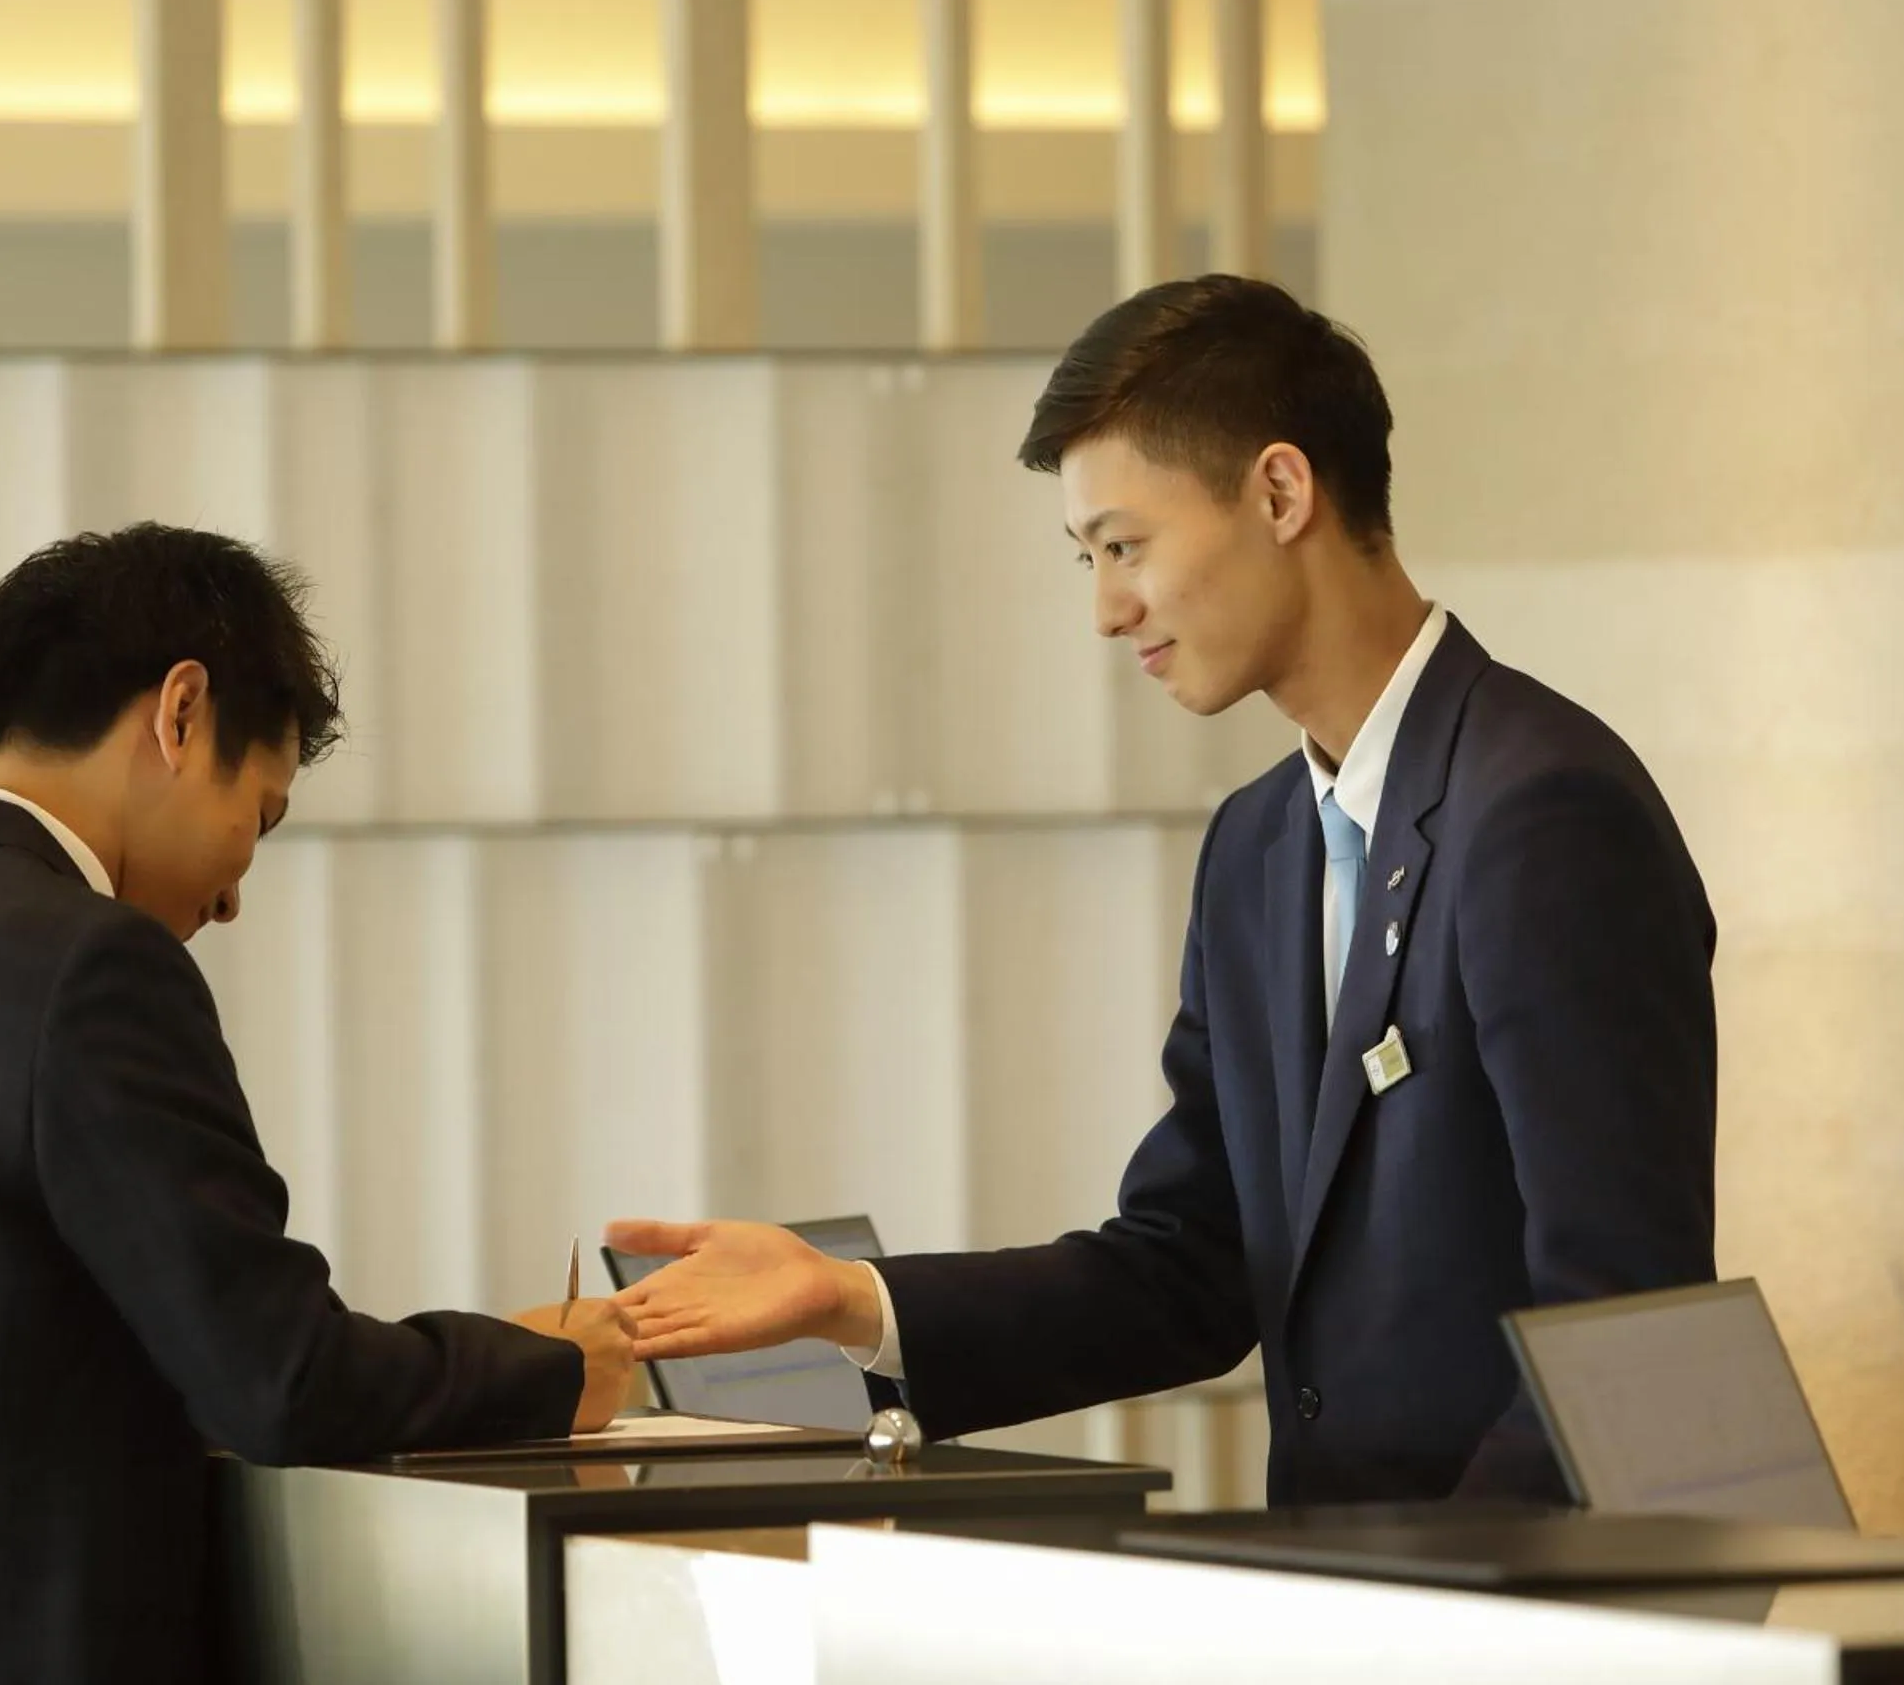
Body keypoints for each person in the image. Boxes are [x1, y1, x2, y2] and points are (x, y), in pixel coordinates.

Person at [610, 275, 1716, 1506]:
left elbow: (1624, 1317)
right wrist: (850, 1302)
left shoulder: (1544, 813)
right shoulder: (1257, 850)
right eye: (1087, 558)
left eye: (1126, 546)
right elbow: (1191, 1269)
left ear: (1282, 493)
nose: (1106, 610)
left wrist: (1444, 1622)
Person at [0, 523, 635, 1685]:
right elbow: (280, 1379)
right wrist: (545, 1362)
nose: (232, 895)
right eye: (261, 817)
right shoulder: (89, 966)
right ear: (181, 714)